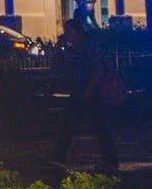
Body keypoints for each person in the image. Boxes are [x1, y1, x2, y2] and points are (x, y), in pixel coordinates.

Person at [53, 18, 124, 172]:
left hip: (88, 92)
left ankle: (60, 156)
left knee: (92, 125)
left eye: (69, 31)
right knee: (86, 125)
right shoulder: (79, 47)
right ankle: (109, 159)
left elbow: (94, 69)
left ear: (76, 31)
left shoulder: (87, 47)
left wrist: (89, 90)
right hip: (83, 90)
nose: (67, 34)